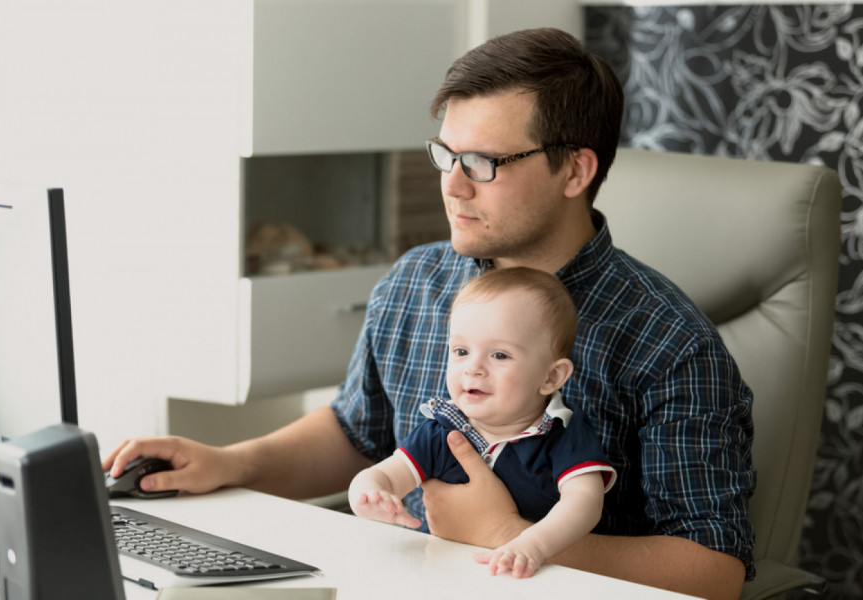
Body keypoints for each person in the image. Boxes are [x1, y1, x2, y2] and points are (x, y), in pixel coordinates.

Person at [103, 27, 755, 600]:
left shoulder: (670, 341)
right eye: (446, 154)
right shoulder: (416, 280)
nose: (451, 183)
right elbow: (356, 432)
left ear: (575, 170)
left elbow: (716, 570)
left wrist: (507, 537)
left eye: (482, 163)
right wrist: (227, 463)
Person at [348, 267, 616, 578]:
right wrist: (369, 494)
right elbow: (387, 474)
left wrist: (531, 544)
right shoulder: (442, 429)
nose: (473, 367)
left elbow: (584, 502)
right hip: (440, 575)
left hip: (531, 582)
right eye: (461, 351)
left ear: (551, 376)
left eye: (500, 355)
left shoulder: (563, 431)